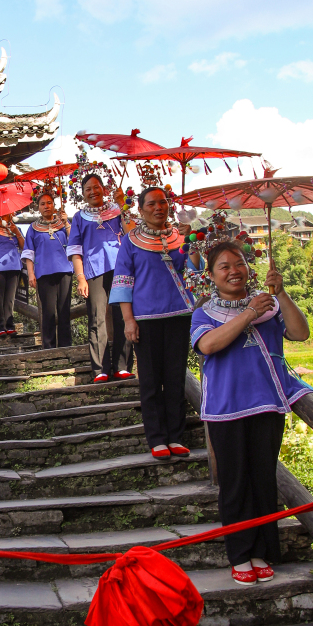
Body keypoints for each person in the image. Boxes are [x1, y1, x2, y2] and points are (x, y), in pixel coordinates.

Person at [190, 241, 310, 583]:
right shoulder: (205, 313)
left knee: (262, 480)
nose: (233, 271)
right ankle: (240, 554)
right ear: (211, 276)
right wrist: (250, 313)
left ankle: (263, 552)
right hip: (226, 410)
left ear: (249, 268)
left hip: (267, 404)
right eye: (224, 267)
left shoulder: (269, 305)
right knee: (235, 483)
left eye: (239, 263)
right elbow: (209, 345)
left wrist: (282, 294)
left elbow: (301, 333)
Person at [110, 187, 196, 458]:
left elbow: (194, 272)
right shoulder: (130, 241)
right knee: (150, 380)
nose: (159, 208)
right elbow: (124, 280)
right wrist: (128, 321)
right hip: (145, 319)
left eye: (163, 202)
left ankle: (176, 436)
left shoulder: (180, 237)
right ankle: (157, 437)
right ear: (141, 209)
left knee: (174, 378)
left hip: (178, 315)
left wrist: (191, 241)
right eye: (152, 204)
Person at [67, 172, 133, 382]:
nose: (93, 191)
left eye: (97, 187)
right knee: (96, 319)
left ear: (104, 189)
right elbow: (75, 249)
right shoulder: (79, 217)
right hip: (93, 271)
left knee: (123, 316)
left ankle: (122, 366)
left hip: (121, 268)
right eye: (88, 189)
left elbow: (132, 232)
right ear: (83, 194)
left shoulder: (117, 211)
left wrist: (123, 205)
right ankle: (100, 369)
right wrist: (80, 278)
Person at [23, 190, 73, 348]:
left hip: (65, 271)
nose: (46, 206)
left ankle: (66, 346)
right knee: (49, 312)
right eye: (42, 204)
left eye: (49, 203)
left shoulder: (63, 225)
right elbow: (29, 252)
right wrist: (31, 273)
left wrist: (67, 224)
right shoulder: (33, 228)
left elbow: (74, 244)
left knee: (64, 310)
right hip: (44, 273)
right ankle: (49, 347)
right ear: (38, 207)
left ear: (54, 205)